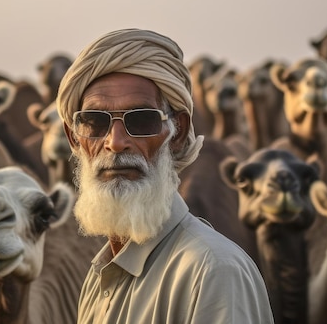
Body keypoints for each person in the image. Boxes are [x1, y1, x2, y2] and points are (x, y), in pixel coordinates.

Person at [56, 28, 274, 323]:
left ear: (177, 132)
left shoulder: (213, 272)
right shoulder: (99, 278)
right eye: (95, 122)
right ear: (74, 139)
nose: (115, 142)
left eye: (142, 120)